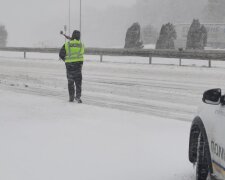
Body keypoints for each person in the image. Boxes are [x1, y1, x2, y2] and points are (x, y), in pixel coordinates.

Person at [59, 30, 84, 103]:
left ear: (72, 36)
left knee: (70, 82)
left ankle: (71, 97)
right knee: (78, 82)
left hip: (69, 66)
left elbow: (61, 54)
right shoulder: (81, 44)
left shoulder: (67, 44)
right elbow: (81, 53)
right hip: (78, 65)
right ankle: (78, 97)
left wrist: (66, 60)